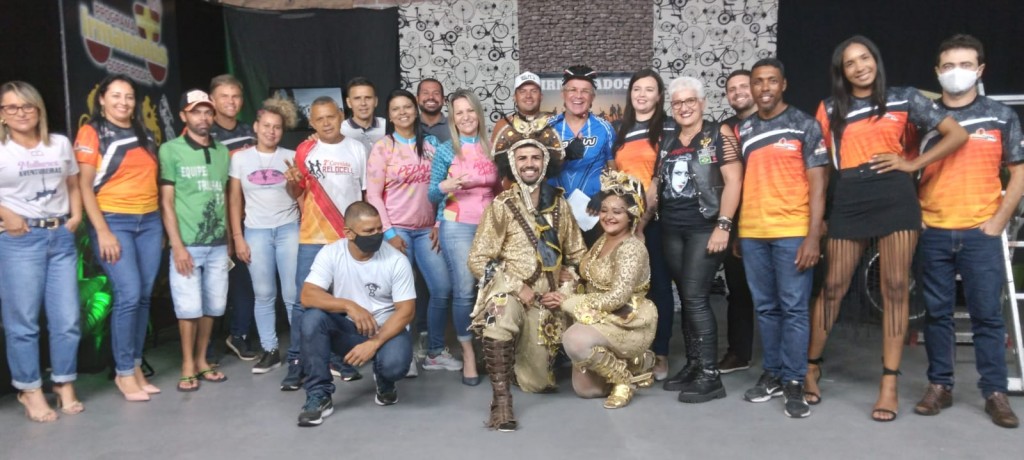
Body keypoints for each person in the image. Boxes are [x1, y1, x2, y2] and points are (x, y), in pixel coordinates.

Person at [807, 35, 967, 422]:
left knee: (895, 288)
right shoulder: (830, 108)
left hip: (895, 197)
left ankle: (889, 384)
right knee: (833, 287)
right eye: (850, 63)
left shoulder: (904, 98)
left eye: (865, 58)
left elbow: (957, 134)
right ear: (841, 72)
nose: (859, 67)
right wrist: (818, 219)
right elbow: (820, 168)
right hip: (850, 197)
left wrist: (912, 164)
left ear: (875, 61)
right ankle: (810, 367)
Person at [913, 34, 1021, 428]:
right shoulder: (922, 118)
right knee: (936, 314)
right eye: (948, 66)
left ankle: (995, 392)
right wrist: (916, 216)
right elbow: (903, 168)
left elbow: (1019, 172)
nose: (956, 72)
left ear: (980, 70)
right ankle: (939, 386)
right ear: (937, 72)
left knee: (987, 317)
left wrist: (998, 221)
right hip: (933, 231)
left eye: (965, 65)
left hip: (981, 233)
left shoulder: (999, 116)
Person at [468, 121, 584, 431]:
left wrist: (567, 285)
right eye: (522, 158)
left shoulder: (560, 205)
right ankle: (501, 402)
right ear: (512, 162)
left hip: (548, 302)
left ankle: (514, 358)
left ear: (545, 162)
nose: (529, 164)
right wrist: (516, 287)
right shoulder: (501, 205)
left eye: (535, 157)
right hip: (511, 292)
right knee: (499, 314)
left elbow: (578, 255)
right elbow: (478, 259)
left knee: (537, 383)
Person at [734, 59, 829, 419]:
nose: (765, 88)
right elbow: (741, 182)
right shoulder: (745, 129)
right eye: (758, 82)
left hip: (792, 232)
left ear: (783, 84)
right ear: (752, 88)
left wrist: (813, 236)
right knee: (765, 307)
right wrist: (739, 229)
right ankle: (773, 373)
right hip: (753, 232)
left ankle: (794, 380)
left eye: (772, 81)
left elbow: (819, 184)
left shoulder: (805, 125)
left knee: (793, 308)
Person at [646, 76, 743, 403]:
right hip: (672, 228)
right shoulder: (668, 139)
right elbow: (656, 183)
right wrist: (641, 220)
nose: (684, 107)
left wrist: (724, 225)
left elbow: (734, 180)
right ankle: (694, 364)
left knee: (696, 296)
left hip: (705, 227)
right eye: (677, 103)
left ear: (702, 103)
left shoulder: (718, 133)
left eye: (690, 101)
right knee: (687, 297)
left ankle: (710, 376)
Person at [74, 74, 162, 400]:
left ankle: (135, 365)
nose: (123, 102)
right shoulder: (92, 132)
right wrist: (102, 231)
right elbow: (84, 186)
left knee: (143, 296)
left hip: (150, 221)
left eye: (128, 96)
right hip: (114, 221)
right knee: (129, 294)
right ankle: (123, 372)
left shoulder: (144, 133)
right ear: (102, 99)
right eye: (116, 95)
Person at [0, 81, 84, 422]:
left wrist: (76, 216)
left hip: (60, 237)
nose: (20, 113)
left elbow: (73, 183)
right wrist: (5, 213)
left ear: (38, 110)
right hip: (19, 240)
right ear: (2, 114)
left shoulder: (59, 143)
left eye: (27, 106)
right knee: (23, 322)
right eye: (11, 107)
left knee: (68, 319)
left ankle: (63, 382)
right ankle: (30, 390)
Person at [542, 170, 658, 409]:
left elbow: (618, 297)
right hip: (599, 314)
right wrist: (569, 281)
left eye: (617, 211)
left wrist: (567, 302)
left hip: (626, 318)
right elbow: (590, 277)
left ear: (631, 215)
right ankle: (633, 365)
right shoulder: (603, 239)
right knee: (587, 391)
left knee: (573, 340)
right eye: (604, 210)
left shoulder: (631, 248)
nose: (608, 216)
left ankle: (624, 380)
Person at [296, 201, 416, 427]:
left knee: (394, 365)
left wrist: (374, 342)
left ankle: (384, 378)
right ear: (349, 233)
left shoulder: (396, 260)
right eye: (369, 231)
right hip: (349, 330)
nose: (377, 235)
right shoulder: (331, 253)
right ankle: (319, 395)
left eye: (379, 229)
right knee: (312, 318)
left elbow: (406, 311)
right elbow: (308, 295)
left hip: (386, 331)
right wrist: (349, 305)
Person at [280, 96, 368, 390]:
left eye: (331, 116)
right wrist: (291, 181)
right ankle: (296, 361)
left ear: (341, 115)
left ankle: (337, 357)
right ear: (312, 123)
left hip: (347, 237)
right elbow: (296, 192)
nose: (326, 123)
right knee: (302, 301)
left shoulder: (357, 149)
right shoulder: (305, 150)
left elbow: (364, 196)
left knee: (342, 301)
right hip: (312, 237)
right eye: (319, 119)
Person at [366, 89, 449, 376]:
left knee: (442, 289)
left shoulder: (432, 145)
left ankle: (435, 351)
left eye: (407, 107)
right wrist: (388, 233)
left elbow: (444, 187)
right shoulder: (383, 147)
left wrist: (438, 223)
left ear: (415, 111)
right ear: (389, 116)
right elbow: (373, 195)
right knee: (402, 295)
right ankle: (405, 354)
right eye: (396, 108)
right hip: (397, 230)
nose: (402, 112)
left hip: (427, 230)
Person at [159, 89, 231, 392]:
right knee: (188, 308)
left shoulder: (223, 152)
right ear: (183, 116)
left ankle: (202, 359)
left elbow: (225, 196)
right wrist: (176, 245)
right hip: (187, 245)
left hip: (218, 244)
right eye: (196, 112)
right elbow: (166, 202)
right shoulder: (170, 150)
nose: (203, 117)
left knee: (213, 306)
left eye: (207, 111)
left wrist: (230, 240)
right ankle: (187, 364)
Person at [427, 89, 500, 385]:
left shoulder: (492, 147)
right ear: (453, 119)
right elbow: (432, 193)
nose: (466, 117)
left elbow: (500, 190)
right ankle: (468, 353)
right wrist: (445, 186)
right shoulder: (447, 150)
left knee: (494, 288)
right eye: (460, 112)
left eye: (470, 111)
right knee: (465, 290)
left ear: (478, 114)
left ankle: (492, 350)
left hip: (491, 227)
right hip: (457, 225)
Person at [612, 68, 677, 381]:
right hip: (624, 223)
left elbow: (659, 179)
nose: (642, 95)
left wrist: (643, 222)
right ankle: (632, 350)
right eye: (637, 89)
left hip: (656, 221)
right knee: (627, 288)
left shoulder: (669, 127)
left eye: (649, 89)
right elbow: (615, 175)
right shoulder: (620, 129)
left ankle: (660, 352)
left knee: (659, 286)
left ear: (659, 95)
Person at [228, 96, 301, 374]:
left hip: (288, 228)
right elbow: (235, 200)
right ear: (256, 127)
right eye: (267, 126)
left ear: (283, 130)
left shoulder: (291, 156)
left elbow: (298, 195)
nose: (271, 131)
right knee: (264, 294)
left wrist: (294, 181)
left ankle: (300, 351)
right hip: (256, 231)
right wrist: (238, 237)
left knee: (293, 294)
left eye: (277, 127)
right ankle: (270, 350)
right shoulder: (240, 158)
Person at [208, 74, 259, 362]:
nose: (231, 101)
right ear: (212, 100)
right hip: (213, 221)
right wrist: (227, 230)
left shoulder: (249, 133)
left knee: (244, 280)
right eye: (224, 96)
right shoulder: (205, 134)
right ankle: (206, 346)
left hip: (246, 218)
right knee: (213, 284)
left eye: (236, 96)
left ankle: (238, 334)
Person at [548, 65, 616, 245]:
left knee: (593, 262)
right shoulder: (547, 128)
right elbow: (535, 172)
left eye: (585, 91)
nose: (578, 96)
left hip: (592, 215)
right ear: (563, 94)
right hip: (553, 213)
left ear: (592, 97)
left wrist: (605, 194)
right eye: (573, 90)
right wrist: (564, 155)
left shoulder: (605, 128)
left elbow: (615, 172)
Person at [718, 69, 757, 374]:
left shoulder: (778, 122)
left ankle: (793, 362)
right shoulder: (725, 129)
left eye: (744, 86)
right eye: (732, 89)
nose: (738, 92)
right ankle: (739, 352)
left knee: (783, 295)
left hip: (776, 218)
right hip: (737, 219)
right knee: (739, 290)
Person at [492, 71, 561, 190]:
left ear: (541, 96)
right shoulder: (502, 125)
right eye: (522, 91)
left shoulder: (554, 123)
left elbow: (561, 159)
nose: (528, 95)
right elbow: (494, 165)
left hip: (547, 192)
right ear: (515, 97)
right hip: (512, 193)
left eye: (533, 91)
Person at [340, 77, 386, 154]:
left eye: (368, 98)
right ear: (349, 102)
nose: (363, 103)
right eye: (357, 98)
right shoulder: (340, 130)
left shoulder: (388, 126)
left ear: (375, 101)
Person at [417, 78, 450, 143]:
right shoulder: (409, 125)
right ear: (417, 99)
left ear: (443, 100)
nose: (431, 97)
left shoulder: (455, 126)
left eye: (436, 93)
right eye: (425, 93)